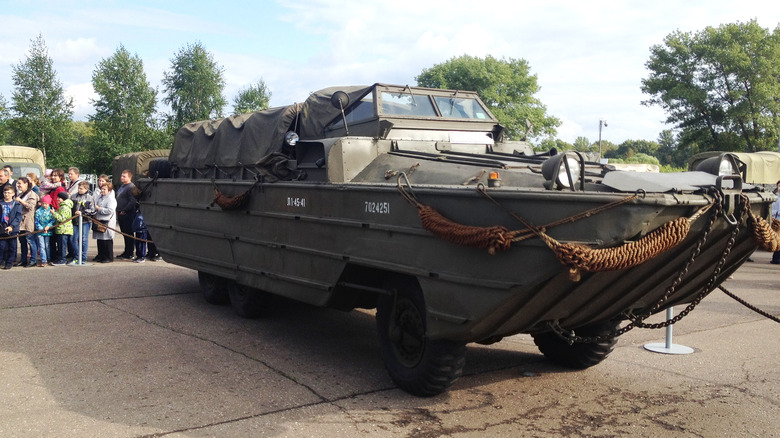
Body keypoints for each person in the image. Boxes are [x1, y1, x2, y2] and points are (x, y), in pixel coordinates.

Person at [14, 177, 39, 267]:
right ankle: (23, 259)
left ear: (26, 184)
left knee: (30, 241)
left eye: (20, 183)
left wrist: (20, 201)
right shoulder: (21, 194)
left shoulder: (32, 194)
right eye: (18, 183)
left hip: (28, 221)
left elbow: (30, 207)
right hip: (20, 222)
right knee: (22, 241)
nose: (18, 185)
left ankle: (33, 260)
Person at [70, 180, 96, 264]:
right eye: (79, 188)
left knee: (84, 240)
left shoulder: (90, 198)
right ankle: (77, 256)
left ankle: (83, 258)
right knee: (73, 239)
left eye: (81, 188)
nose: (79, 190)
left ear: (86, 189)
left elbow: (93, 210)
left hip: (85, 222)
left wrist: (83, 212)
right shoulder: (73, 196)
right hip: (75, 221)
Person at [116, 169, 138, 260]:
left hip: (128, 214)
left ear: (129, 177)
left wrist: (124, 210)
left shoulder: (131, 187)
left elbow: (132, 201)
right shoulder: (122, 186)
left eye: (124, 176)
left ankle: (130, 253)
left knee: (129, 233)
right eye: (121, 176)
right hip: (120, 213)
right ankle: (126, 251)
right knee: (124, 233)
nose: (122, 177)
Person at [93, 182, 117, 263]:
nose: (102, 191)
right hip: (99, 220)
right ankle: (101, 255)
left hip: (107, 222)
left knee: (107, 240)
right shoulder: (99, 197)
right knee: (100, 240)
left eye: (104, 189)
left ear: (109, 190)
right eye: (102, 189)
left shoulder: (111, 199)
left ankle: (108, 257)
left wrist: (99, 209)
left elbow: (110, 210)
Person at [0, 184, 22, 270]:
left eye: (9, 193)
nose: (7, 194)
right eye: (5, 192)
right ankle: (1, 261)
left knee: (12, 246)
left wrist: (12, 226)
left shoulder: (16, 204)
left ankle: (9, 262)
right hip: (2, 227)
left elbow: (18, 217)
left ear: (13, 194)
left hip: (13, 228)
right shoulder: (1, 203)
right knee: (2, 246)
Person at [51, 191, 73, 266]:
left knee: (62, 246)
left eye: (59, 198)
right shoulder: (63, 206)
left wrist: (54, 213)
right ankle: (60, 258)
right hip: (61, 229)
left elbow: (62, 219)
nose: (57, 199)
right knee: (60, 245)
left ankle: (62, 260)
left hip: (63, 229)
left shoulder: (64, 207)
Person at [33, 195, 56, 267]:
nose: (44, 205)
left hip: (48, 231)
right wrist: (41, 228)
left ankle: (48, 258)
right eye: (43, 203)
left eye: (46, 204)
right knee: (41, 246)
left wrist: (48, 227)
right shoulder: (38, 211)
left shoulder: (51, 211)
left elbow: (52, 220)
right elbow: (36, 221)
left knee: (47, 245)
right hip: (40, 231)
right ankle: (44, 259)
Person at [772, 180, 780, 265]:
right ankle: (776, 258)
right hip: (777, 221)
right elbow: (771, 210)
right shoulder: (775, 198)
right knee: (777, 241)